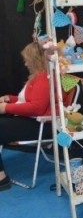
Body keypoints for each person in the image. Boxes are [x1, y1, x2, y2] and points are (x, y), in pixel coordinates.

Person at [0, 42, 51, 191]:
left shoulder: (44, 78)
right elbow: (29, 101)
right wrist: (10, 99)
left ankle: (1, 178)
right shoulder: (38, 77)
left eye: (27, 59)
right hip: (32, 122)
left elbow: (36, 108)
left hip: (41, 125)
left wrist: (5, 108)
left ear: (35, 59)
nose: (25, 63)